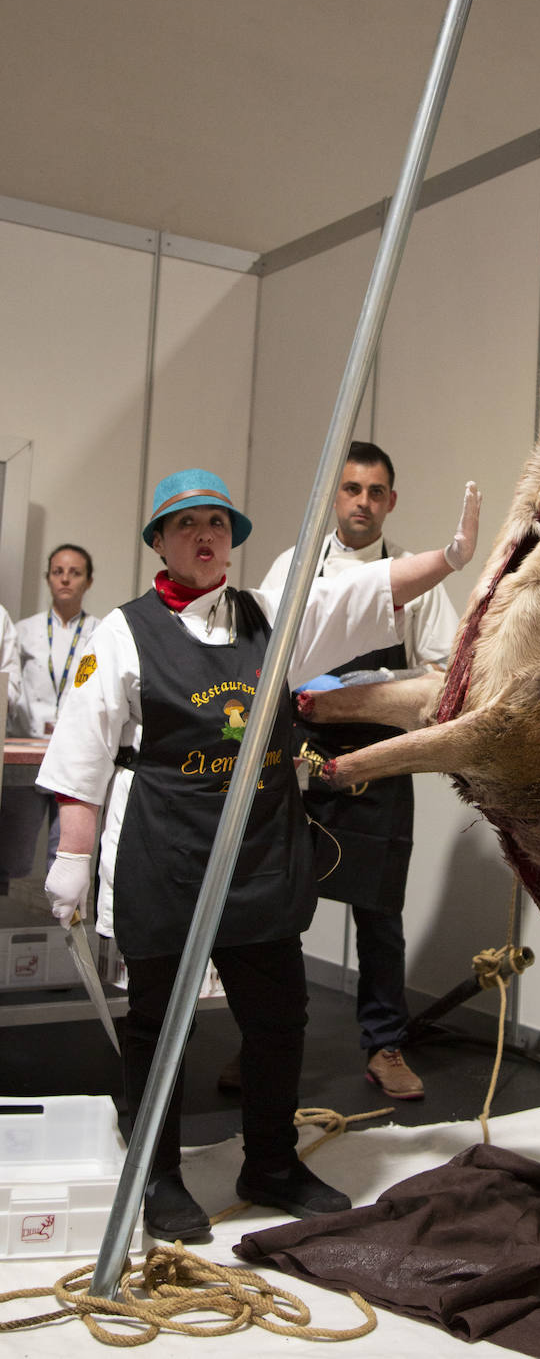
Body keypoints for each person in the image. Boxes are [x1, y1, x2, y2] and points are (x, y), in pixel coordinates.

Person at [36, 466, 479, 1242]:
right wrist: (72, 856)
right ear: (161, 544)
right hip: (168, 852)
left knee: (278, 1018)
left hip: (259, 855)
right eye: (186, 525)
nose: (203, 535)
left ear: (232, 541)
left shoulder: (272, 618)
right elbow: (83, 749)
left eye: (216, 523)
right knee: (159, 1023)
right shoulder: (122, 631)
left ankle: (269, 1162)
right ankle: (159, 1174)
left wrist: (445, 557)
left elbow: (359, 596)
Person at [252, 441, 461, 1101]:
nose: (362, 502)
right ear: (332, 498)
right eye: (351, 490)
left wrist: (372, 692)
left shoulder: (417, 578)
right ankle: (266, 1046)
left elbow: (445, 669)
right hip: (299, 755)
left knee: (380, 912)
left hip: (378, 757)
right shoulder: (295, 567)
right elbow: (262, 660)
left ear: (390, 501)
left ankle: (385, 1044)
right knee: (279, 907)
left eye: (375, 492)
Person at [0, 546, 98, 892]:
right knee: (12, 853)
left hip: (74, 755)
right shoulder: (22, 631)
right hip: (26, 753)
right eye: (58, 571)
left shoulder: (100, 633)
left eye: (74, 571)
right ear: (47, 578)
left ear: (88, 580)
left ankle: (62, 930)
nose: (65, 578)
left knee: (67, 851)